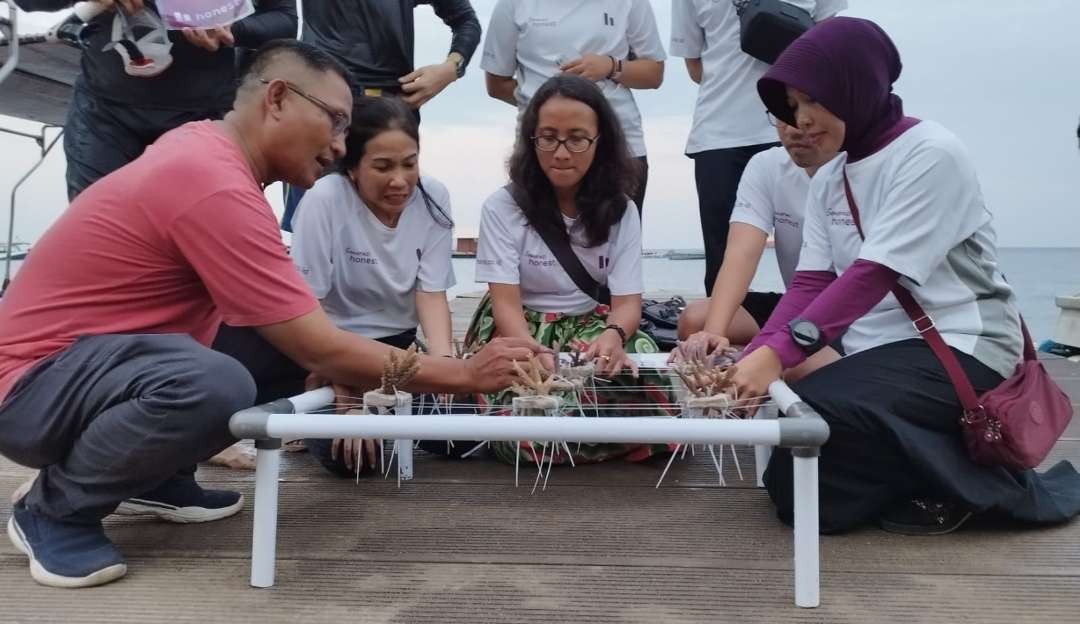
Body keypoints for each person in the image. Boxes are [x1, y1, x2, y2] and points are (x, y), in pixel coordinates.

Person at [0, 40, 541, 589]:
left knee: (256, 351)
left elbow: (301, 333)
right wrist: (464, 375)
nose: (337, 146)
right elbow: (319, 346)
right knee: (214, 380)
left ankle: (155, 476)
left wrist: (355, 371)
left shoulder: (212, 159)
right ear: (278, 97)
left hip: (85, 377)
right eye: (334, 122)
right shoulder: (210, 181)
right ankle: (54, 509)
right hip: (29, 389)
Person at [730, 17, 1080, 534]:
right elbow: (810, 284)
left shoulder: (930, 155)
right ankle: (928, 480)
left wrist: (778, 355)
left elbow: (872, 274)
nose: (800, 120)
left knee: (817, 427)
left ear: (855, 83)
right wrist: (755, 353)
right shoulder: (831, 176)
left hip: (963, 343)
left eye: (812, 100)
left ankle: (978, 492)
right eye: (792, 105)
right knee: (799, 468)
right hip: (883, 353)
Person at [464, 74, 671, 466]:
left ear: (600, 143)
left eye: (577, 138)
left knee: (638, 355)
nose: (561, 152)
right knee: (529, 408)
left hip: (589, 325)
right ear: (531, 140)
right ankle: (596, 438)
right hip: (520, 328)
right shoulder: (501, 207)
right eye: (548, 137)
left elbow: (627, 304)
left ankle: (575, 439)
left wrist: (612, 335)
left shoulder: (622, 209)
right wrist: (535, 352)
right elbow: (505, 304)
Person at [290, 96, 456, 475]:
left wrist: (446, 367)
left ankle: (393, 419)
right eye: (382, 167)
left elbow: (430, 293)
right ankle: (329, 411)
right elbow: (307, 306)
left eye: (409, 164)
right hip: (335, 346)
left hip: (400, 352)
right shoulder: (325, 200)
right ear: (351, 168)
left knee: (461, 433)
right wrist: (348, 398)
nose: (400, 181)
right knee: (352, 459)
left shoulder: (434, 198)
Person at [15, 0, 299, 201]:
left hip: (203, 117)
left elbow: (284, 19)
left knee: (198, 244)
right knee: (98, 240)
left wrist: (233, 30)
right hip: (104, 116)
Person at [669, 0, 845, 294]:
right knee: (722, 261)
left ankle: (825, 328)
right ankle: (721, 334)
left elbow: (831, 42)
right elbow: (694, 63)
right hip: (719, 135)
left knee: (827, 245)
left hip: (800, 125)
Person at [280, 0, 482, 231]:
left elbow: (466, 20)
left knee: (388, 229)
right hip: (322, 105)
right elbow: (273, 14)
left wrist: (450, 69)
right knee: (314, 226)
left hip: (393, 111)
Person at [674, 116, 841, 380]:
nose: (793, 126)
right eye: (781, 114)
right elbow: (741, 253)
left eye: (806, 107)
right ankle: (750, 360)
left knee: (793, 367)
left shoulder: (861, 168)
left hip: (851, 313)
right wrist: (713, 333)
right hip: (799, 302)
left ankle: (764, 362)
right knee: (695, 319)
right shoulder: (768, 165)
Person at [481, 0, 665, 215]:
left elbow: (653, 74)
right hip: (542, 147)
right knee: (537, 242)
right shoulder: (513, 5)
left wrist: (610, 66)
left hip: (619, 144)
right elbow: (496, 84)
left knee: (616, 239)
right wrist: (554, 110)